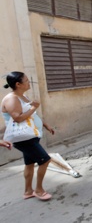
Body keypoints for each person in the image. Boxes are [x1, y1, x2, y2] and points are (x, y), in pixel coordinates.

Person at [1, 71, 55, 201]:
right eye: (27, 81)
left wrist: (45, 124)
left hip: (29, 135)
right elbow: (18, 118)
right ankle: (39, 190)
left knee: (30, 163)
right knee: (45, 160)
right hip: (22, 138)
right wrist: (33, 108)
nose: (29, 82)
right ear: (18, 84)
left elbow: (33, 115)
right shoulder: (11, 99)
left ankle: (28, 191)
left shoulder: (23, 96)